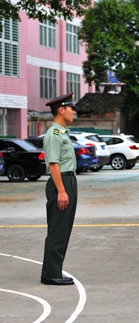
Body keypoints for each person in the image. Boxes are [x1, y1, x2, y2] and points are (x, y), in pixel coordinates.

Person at [41, 93, 79, 285]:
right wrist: (62, 191)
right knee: (58, 229)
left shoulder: (63, 132)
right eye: (71, 108)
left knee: (64, 229)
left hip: (68, 180)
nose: (74, 112)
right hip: (61, 183)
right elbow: (53, 164)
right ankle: (51, 274)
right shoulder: (54, 135)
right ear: (61, 110)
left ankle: (54, 270)